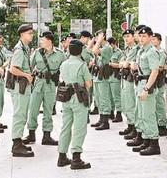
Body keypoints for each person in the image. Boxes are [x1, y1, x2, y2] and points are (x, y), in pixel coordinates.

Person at [23, 31, 66, 146]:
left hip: (51, 85)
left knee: (48, 111)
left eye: (42, 39)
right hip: (38, 84)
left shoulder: (60, 54)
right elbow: (29, 67)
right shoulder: (37, 53)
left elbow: (66, 68)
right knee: (33, 110)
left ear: (49, 40)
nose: (40, 41)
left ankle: (46, 136)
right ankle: (31, 134)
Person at [57, 39, 92, 170]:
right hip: (79, 98)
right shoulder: (82, 65)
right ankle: (76, 158)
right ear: (80, 50)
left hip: (65, 97)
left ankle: (62, 156)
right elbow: (88, 83)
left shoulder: (64, 64)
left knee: (65, 126)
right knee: (79, 128)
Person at [129, 26, 161, 155]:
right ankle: (146, 141)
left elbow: (155, 71)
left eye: (144, 36)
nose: (141, 38)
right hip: (140, 83)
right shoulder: (141, 51)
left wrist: (146, 89)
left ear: (150, 37)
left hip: (147, 84)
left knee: (148, 115)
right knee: (141, 115)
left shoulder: (152, 51)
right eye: (140, 36)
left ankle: (154, 144)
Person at [8, 24, 35, 157]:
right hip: (20, 86)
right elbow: (13, 69)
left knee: (22, 114)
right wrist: (26, 75)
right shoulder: (19, 49)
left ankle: (18, 141)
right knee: (19, 114)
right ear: (22, 34)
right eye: (29, 33)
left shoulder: (26, 49)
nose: (31, 35)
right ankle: (16, 145)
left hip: (24, 86)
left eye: (32, 33)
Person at [117, 29, 139, 139]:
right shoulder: (126, 49)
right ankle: (130, 125)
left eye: (128, 36)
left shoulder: (135, 49)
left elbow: (125, 64)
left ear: (133, 37)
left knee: (131, 103)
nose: (126, 39)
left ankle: (134, 127)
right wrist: (123, 64)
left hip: (131, 78)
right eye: (124, 37)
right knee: (125, 103)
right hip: (124, 77)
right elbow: (121, 63)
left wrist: (124, 64)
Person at [90, 30, 113, 130]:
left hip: (104, 75)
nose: (96, 38)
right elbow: (90, 50)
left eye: (98, 36)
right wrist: (95, 41)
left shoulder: (107, 47)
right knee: (98, 98)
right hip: (98, 75)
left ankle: (105, 121)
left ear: (103, 36)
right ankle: (101, 118)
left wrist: (98, 41)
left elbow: (94, 51)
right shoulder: (101, 47)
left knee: (104, 98)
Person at [151, 33, 167, 136]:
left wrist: (153, 68)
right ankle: (157, 123)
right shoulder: (152, 52)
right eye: (151, 39)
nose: (152, 41)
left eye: (154, 39)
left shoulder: (161, 52)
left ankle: (162, 125)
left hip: (159, 80)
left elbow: (160, 66)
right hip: (153, 79)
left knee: (159, 103)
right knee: (154, 104)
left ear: (159, 41)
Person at [107, 37, 123, 122]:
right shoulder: (107, 51)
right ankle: (111, 112)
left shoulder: (119, 52)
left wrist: (110, 64)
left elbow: (121, 65)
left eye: (110, 44)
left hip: (115, 76)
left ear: (113, 44)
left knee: (116, 96)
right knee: (109, 97)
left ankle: (119, 113)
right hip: (108, 76)